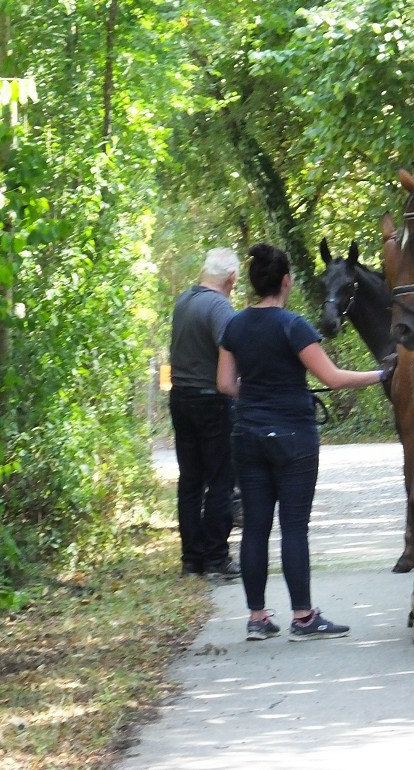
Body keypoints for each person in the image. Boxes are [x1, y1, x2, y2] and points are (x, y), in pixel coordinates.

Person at [217, 242, 395, 642]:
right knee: (294, 527)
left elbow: (225, 384)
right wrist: (381, 375)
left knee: (255, 529)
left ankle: (258, 618)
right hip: (293, 437)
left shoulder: (234, 326)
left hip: (247, 434)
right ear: (285, 281)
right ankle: (303, 616)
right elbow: (332, 378)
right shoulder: (293, 326)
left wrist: (260, 389)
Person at [169, 247, 241, 580]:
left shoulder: (183, 301)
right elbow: (232, 354)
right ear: (232, 278)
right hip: (212, 402)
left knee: (190, 482)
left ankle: (190, 560)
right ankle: (216, 558)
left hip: (181, 399)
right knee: (220, 481)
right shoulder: (220, 308)